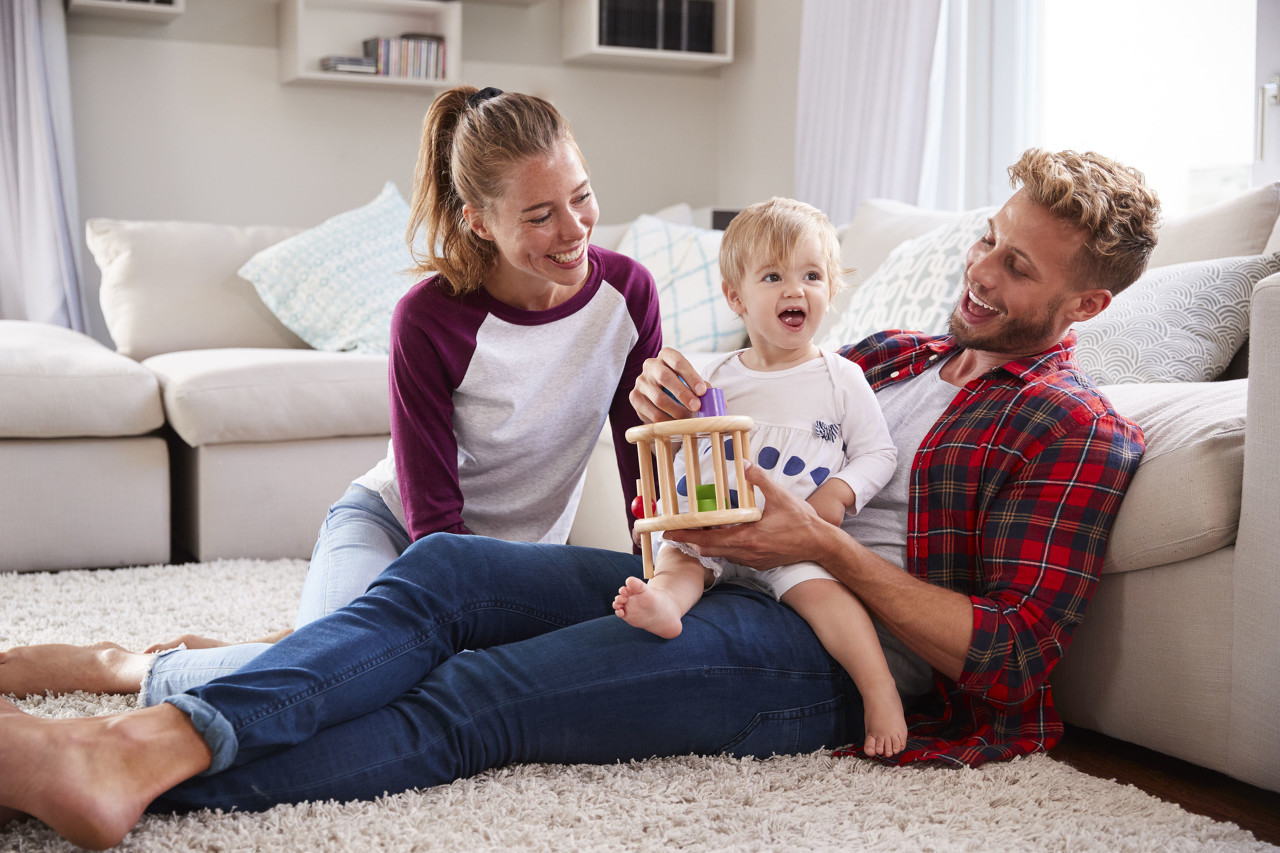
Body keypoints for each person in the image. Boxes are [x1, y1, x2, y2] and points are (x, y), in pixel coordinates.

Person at [0, 148, 1158, 851]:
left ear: (1086, 304)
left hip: (817, 649)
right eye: (988, 242)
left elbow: (1008, 660)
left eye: (1018, 268)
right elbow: (773, 434)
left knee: (474, 697)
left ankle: (122, 754)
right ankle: (134, 729)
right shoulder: (898, 354)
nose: (980, 274)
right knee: (438, 572)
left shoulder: (1071, 429)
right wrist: (675, 426)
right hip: (723, 571)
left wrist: (818, 544)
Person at [0, 84, 661, 702]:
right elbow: (435, 529)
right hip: (395, 530)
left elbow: (646, 461)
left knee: (395, 664)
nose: (575, 228)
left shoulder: (627, 294)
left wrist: (666, 574)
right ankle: (124, 666)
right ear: (480, 223)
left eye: (582, 196)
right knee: (363, 671)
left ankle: (285, 644)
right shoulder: (430, 318)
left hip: (516, 565)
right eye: (541, 215)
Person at [611, 197, 905, 756]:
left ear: (831, 290)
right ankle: (666, 607)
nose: (795, 290)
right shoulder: (715, 378)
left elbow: (877, 454)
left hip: (792, 535)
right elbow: (687, 451)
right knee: (679, 561)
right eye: (773, 276)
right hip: (720, 527)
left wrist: (837, 495)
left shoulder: (840, 377)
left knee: (829, 597)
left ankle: (879, 689)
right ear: (735, 297)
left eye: (811, 275)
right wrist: (674, 507)